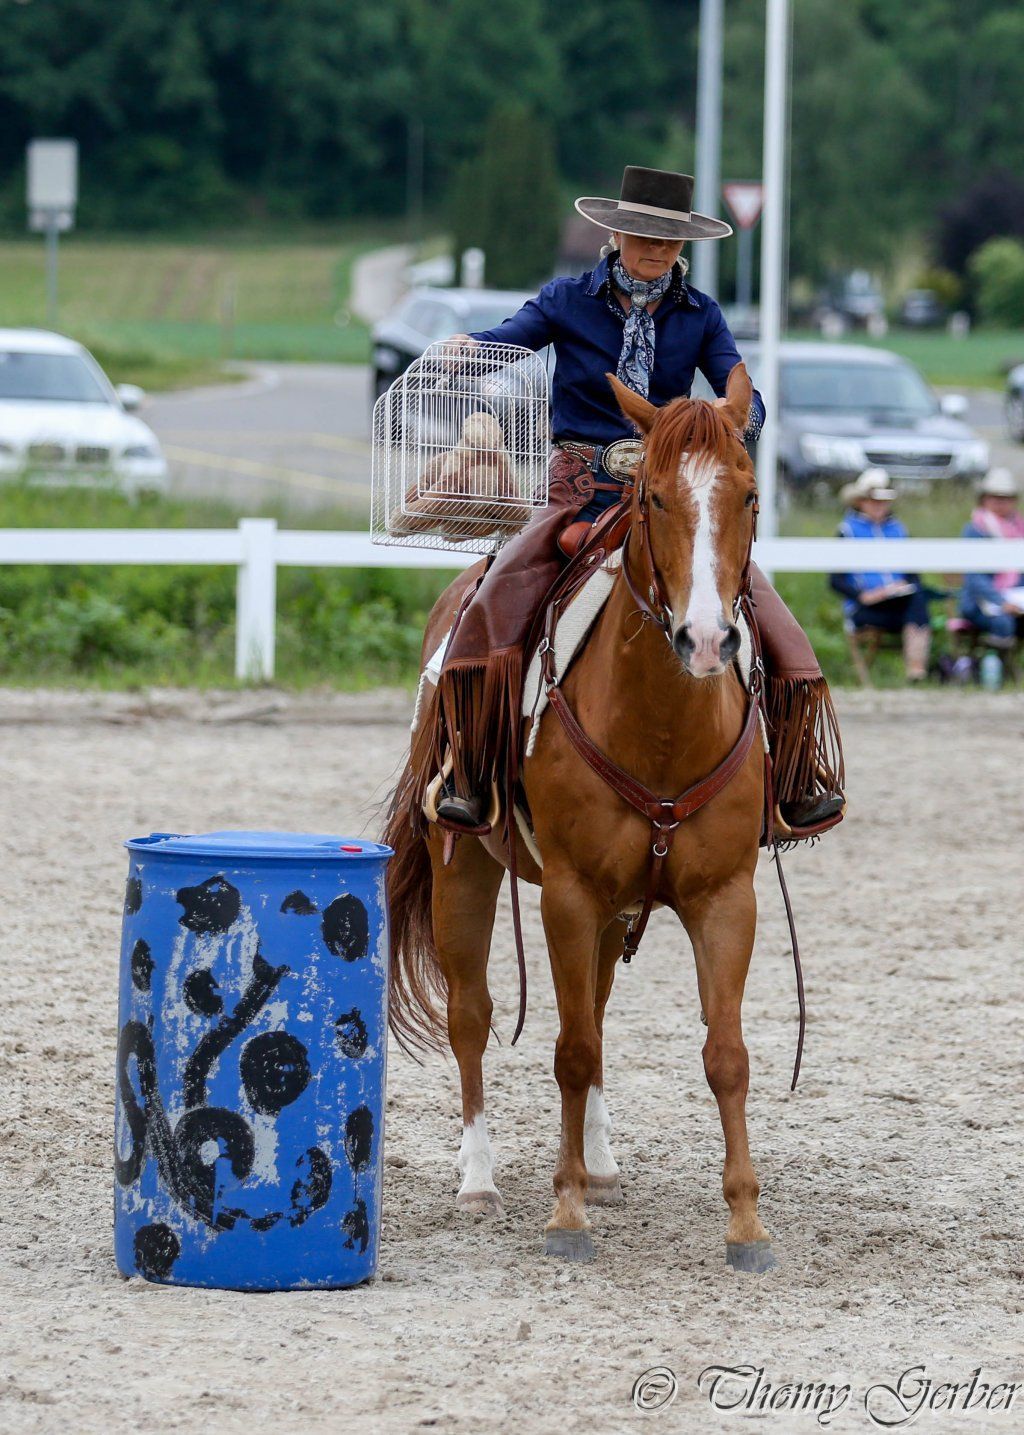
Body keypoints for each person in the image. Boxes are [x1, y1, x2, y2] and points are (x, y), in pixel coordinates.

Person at [428, 165, 845, 838]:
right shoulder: (568, 299)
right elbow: (513, 336)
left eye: (671, 239)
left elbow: (741, 388)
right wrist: (468, 348)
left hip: (670, 498)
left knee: (775, 622)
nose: (658, 249)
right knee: (497, 597)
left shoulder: (701, 314)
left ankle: (797, 776)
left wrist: (737, 421)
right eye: (646, 235)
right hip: (580, 494)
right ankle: (470, 771)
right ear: (617, 233)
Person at [829, 468, 933, 680]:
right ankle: (915, 667)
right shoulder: (847, 531)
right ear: (860, 502)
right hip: (865, 606)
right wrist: (863, 595)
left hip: (898, 602)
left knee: (919, 597)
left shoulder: (898, 529)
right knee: (917, 605)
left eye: (883, 501)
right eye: (874, 501)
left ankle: (916, 667)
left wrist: (902, 586)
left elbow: (913, 574)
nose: (879, 506)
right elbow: (835, 580)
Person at [958, 468, 1024, 644]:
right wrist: (1002, 602)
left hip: (1016, 598)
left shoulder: (1020, 529)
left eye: (1006, 498)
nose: (1000, 503)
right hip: (980, 601)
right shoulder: (975, 530)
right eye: (995, 497)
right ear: (984, 499)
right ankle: (998, 659)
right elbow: (974, 577)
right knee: (1003, 622)